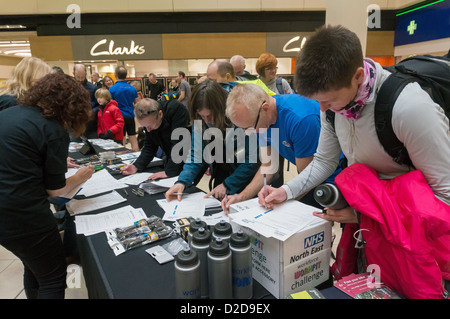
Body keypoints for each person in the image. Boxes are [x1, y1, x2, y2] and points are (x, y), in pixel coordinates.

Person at [262, 24, 450, 220]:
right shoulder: (334, 109)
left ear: (358, 76)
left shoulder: (409, 108)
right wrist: (286, 191)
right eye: (317, 101)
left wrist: (365, 216)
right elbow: (324, 161)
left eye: (329, 100)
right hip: (366, 213)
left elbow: (444, 196)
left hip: (410, 231)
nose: (323, 109)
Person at [0, 72, 95, 299]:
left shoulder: (9, 113)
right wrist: (81, 176)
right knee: (53, 277)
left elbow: (17, 155)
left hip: (6, 213)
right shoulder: (52, 129)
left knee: (33, 266)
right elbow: (56, 190)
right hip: (24, 215)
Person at [222, 83, 340, 213]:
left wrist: (282, 195)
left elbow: (307, 179)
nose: (248, 133)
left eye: (248, 127)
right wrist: (241, 196)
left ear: (265, 108)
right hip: (309, 178)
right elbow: (269, 165)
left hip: (333, 178)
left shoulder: (301, 120)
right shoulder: (260, 120)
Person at [165, 79, 260, 201]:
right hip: (224, 171)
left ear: (221, 108)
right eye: (201, 115)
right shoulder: (200, 120)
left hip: (251, 179)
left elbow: (252, 159)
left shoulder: (239, 114)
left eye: (209, 115)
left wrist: (228, 184)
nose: (207, 121)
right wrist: (182, 181)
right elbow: (196, 154)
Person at [120, 97, 190, 180]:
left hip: (190, 158)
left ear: (160, 114)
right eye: (145, 127)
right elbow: (150, 145)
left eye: (149, 126)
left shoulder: (176, 110)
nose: (148, 130)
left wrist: (169, 171)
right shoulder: (150, 118)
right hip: (172, 157)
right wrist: (136, 166)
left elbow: (179, 145)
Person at [109, 66, 140, 151]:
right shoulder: (132, 88)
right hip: (130, 115)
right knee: (133, 139)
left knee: (122, 140)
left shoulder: (112, 89)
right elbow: (138, 103)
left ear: (115, 75)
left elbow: (110, 105)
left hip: (119, 118)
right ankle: (136, 157)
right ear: (126, 75)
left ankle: (124, 160)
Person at [206, 60, 275, 95]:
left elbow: (275, 101)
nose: (209, 84)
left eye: (213, 80)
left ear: (227, 76)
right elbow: (198, 116)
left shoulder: (255, 85)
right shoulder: (208, 92)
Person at [73, 64, 99, 139]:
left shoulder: (93, 88)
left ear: (86, 74)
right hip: (74, 126)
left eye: (82, 77)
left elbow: (100, 105)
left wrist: (92, 111)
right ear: (73, 73)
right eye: (78, 77)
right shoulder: (69, 87)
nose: (80, 79)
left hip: (90, 126)